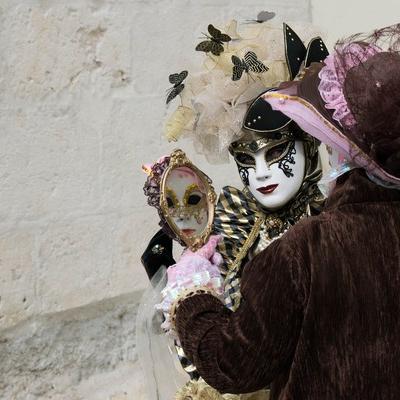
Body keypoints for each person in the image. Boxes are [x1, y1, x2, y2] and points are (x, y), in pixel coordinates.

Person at [163, 24, 400, 399]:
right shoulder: (232, 225)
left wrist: (191, 293)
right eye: (245, 156)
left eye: (276, 151)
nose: (261, 172)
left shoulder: (308, 248)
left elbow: (232, 363)